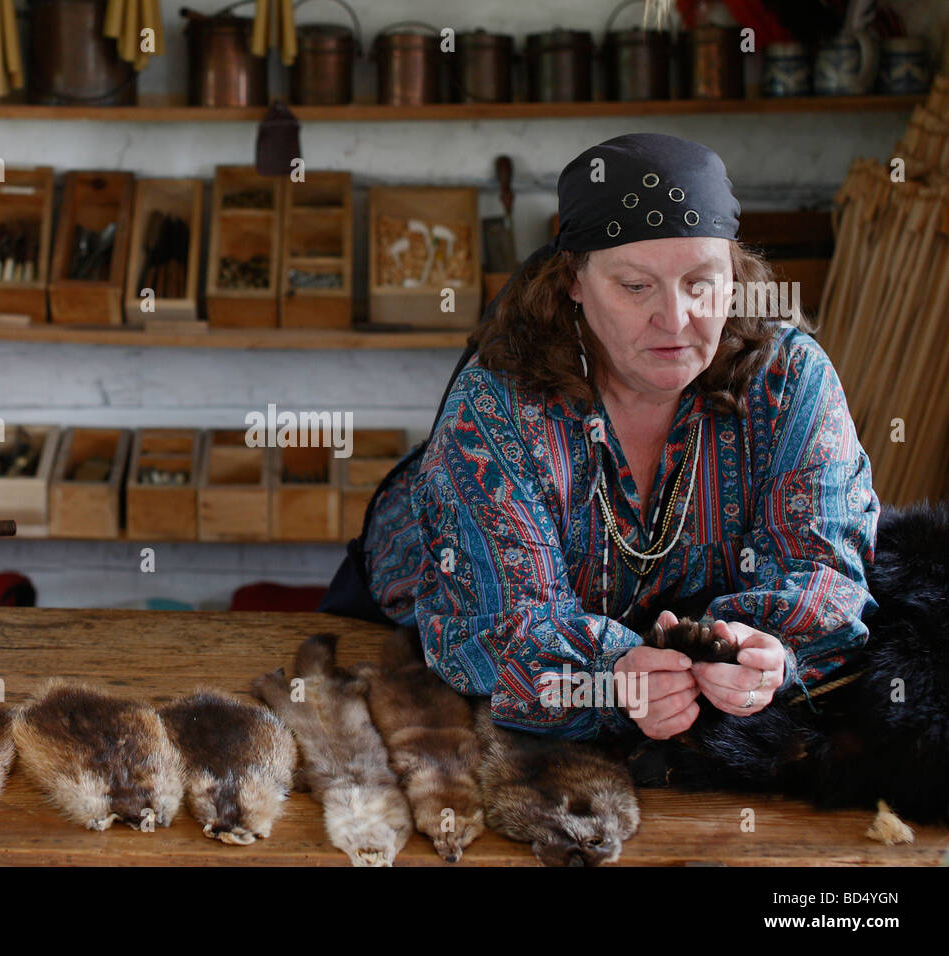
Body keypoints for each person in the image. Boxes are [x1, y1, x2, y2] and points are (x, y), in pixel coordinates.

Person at [321, 132, 879, 743]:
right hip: (421, 619)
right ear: (575, 283)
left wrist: (768, 651)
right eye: (636, 287)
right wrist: (606, 678)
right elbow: (496, 629)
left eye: (701, 282)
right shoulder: (498, 403)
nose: (675, 318)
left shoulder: (790, 381)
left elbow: (822, 570)